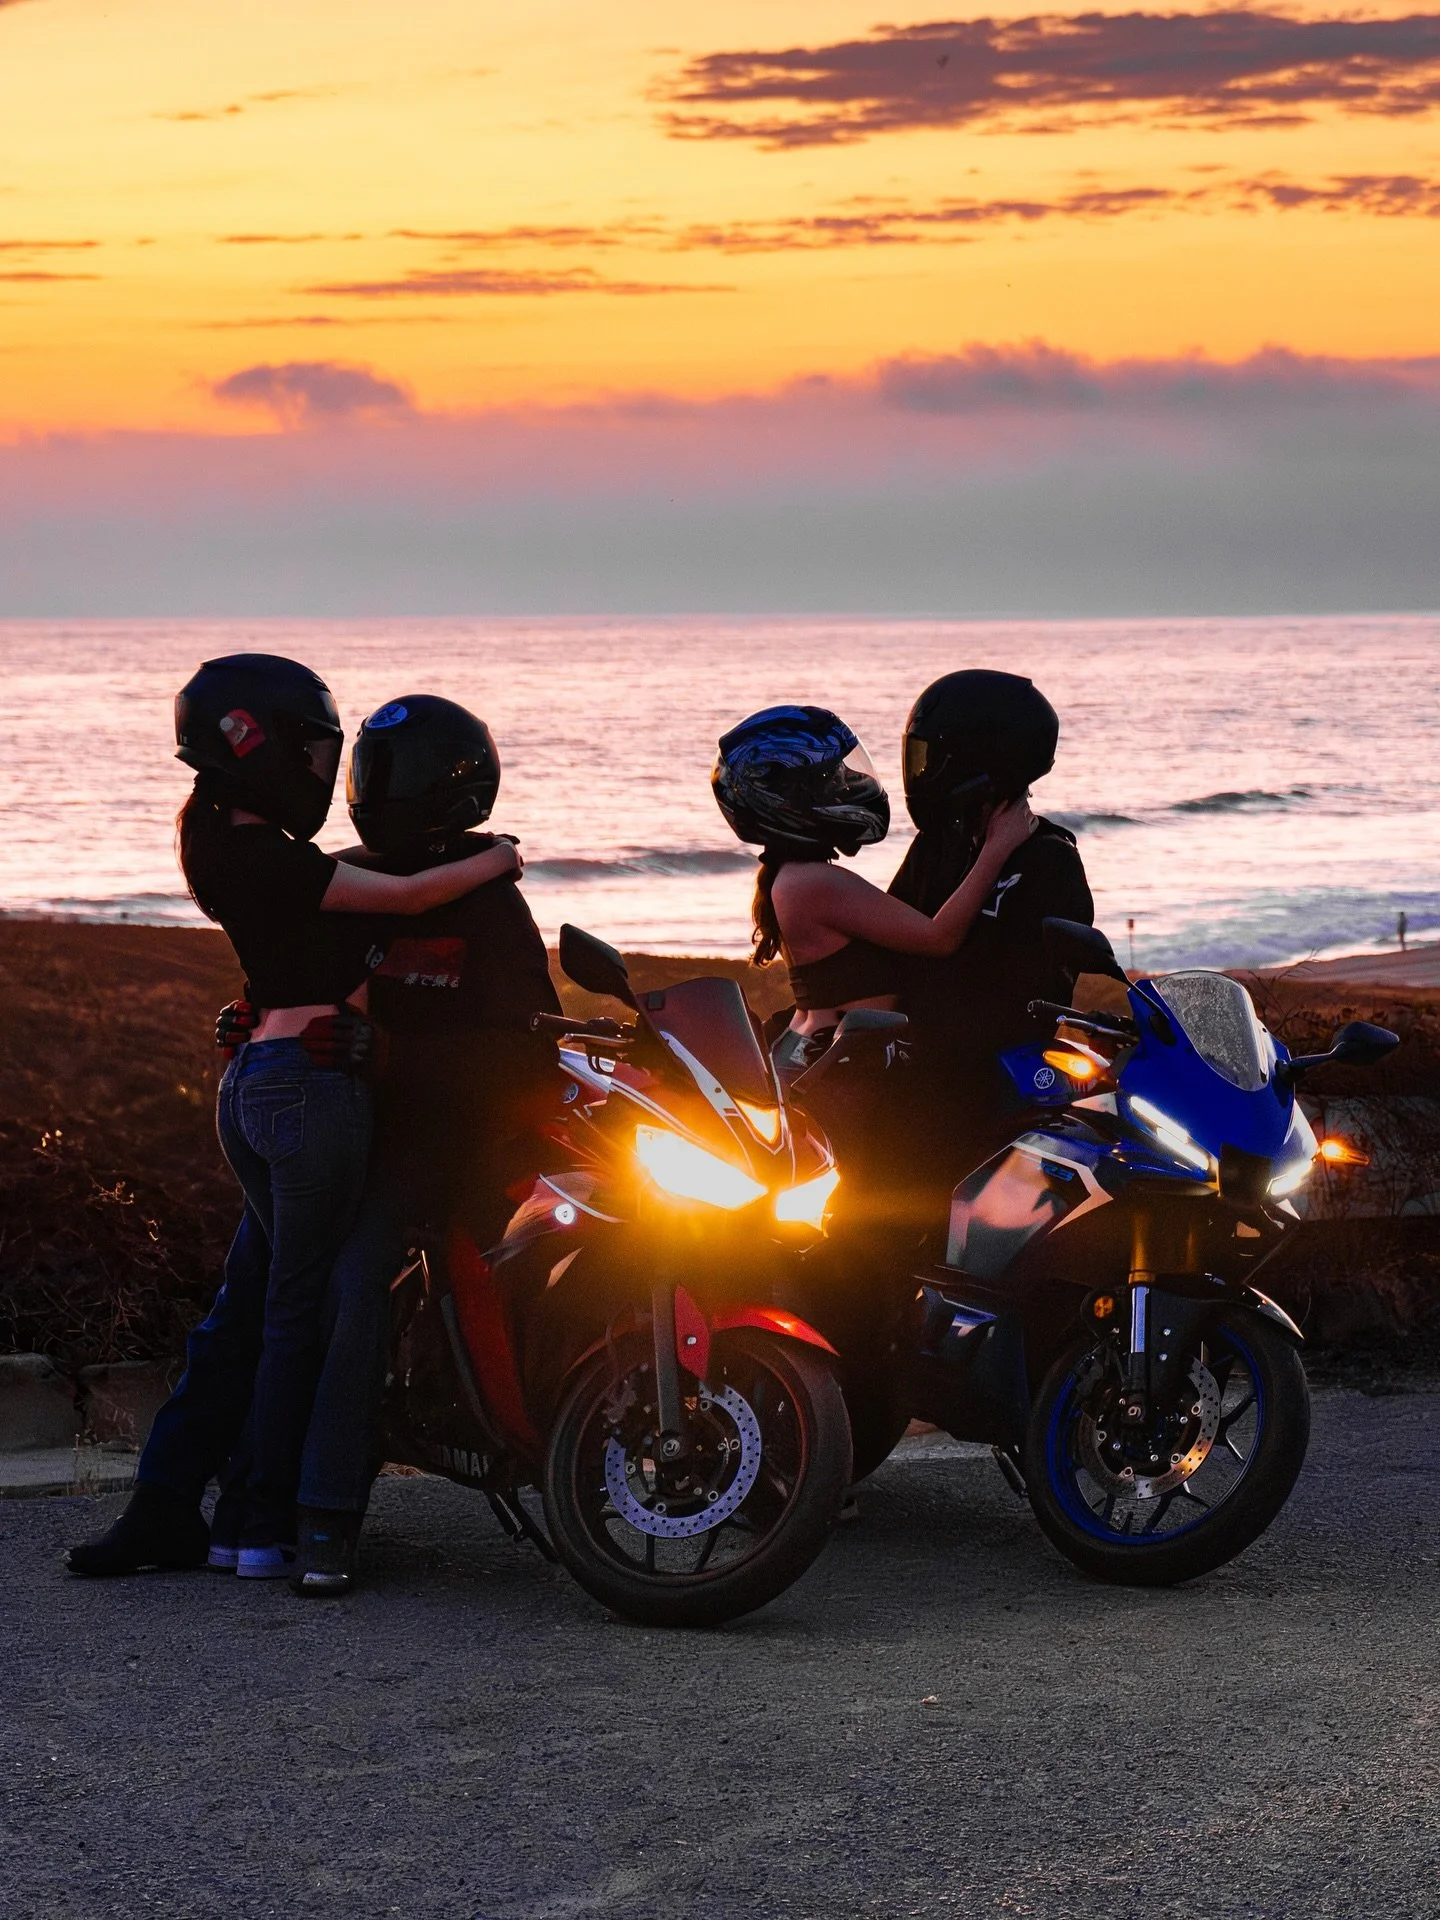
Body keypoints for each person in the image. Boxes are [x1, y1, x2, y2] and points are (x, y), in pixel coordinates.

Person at [67, 656, 520, 1580]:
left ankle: (211, 1506)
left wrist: (266, 1018)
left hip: (314, 1099)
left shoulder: (247, 848)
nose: (341, 781)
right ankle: (248, 1517)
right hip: (317, 1106)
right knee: (283, 1310)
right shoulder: (288, 858)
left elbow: (334, 909)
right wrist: (497, 856)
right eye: (335, 760)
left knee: (267, 1305)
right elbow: (375, 904)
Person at [283, 693, 562, 1595]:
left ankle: (331, 1511)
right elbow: (296, 984)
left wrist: (395, 1054)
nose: (374, 790)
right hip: (360, 1137)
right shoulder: (352, 886)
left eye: (390, 775)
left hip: (457, 1143)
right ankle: (290, 1502)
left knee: (368, 1278)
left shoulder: (487, 904)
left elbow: (526, 1046)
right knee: (318, 1283)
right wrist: (256, 1020)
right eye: (369, 771)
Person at [711, 704, 1034, 1075]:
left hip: (819, 1054)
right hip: (845, 1070)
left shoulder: (790, 877)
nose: (846, 782)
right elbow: (939, 938)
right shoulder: (814, 883)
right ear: (789, 797)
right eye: (830, 777)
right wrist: (998, 848)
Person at [886, 668, 1094, 1185]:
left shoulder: (1050, 860)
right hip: (914, 1062)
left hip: (981, 1081)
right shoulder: (939, 845)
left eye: (935, 756)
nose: (923, 770)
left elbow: (1028, 992)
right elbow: (891, 936)